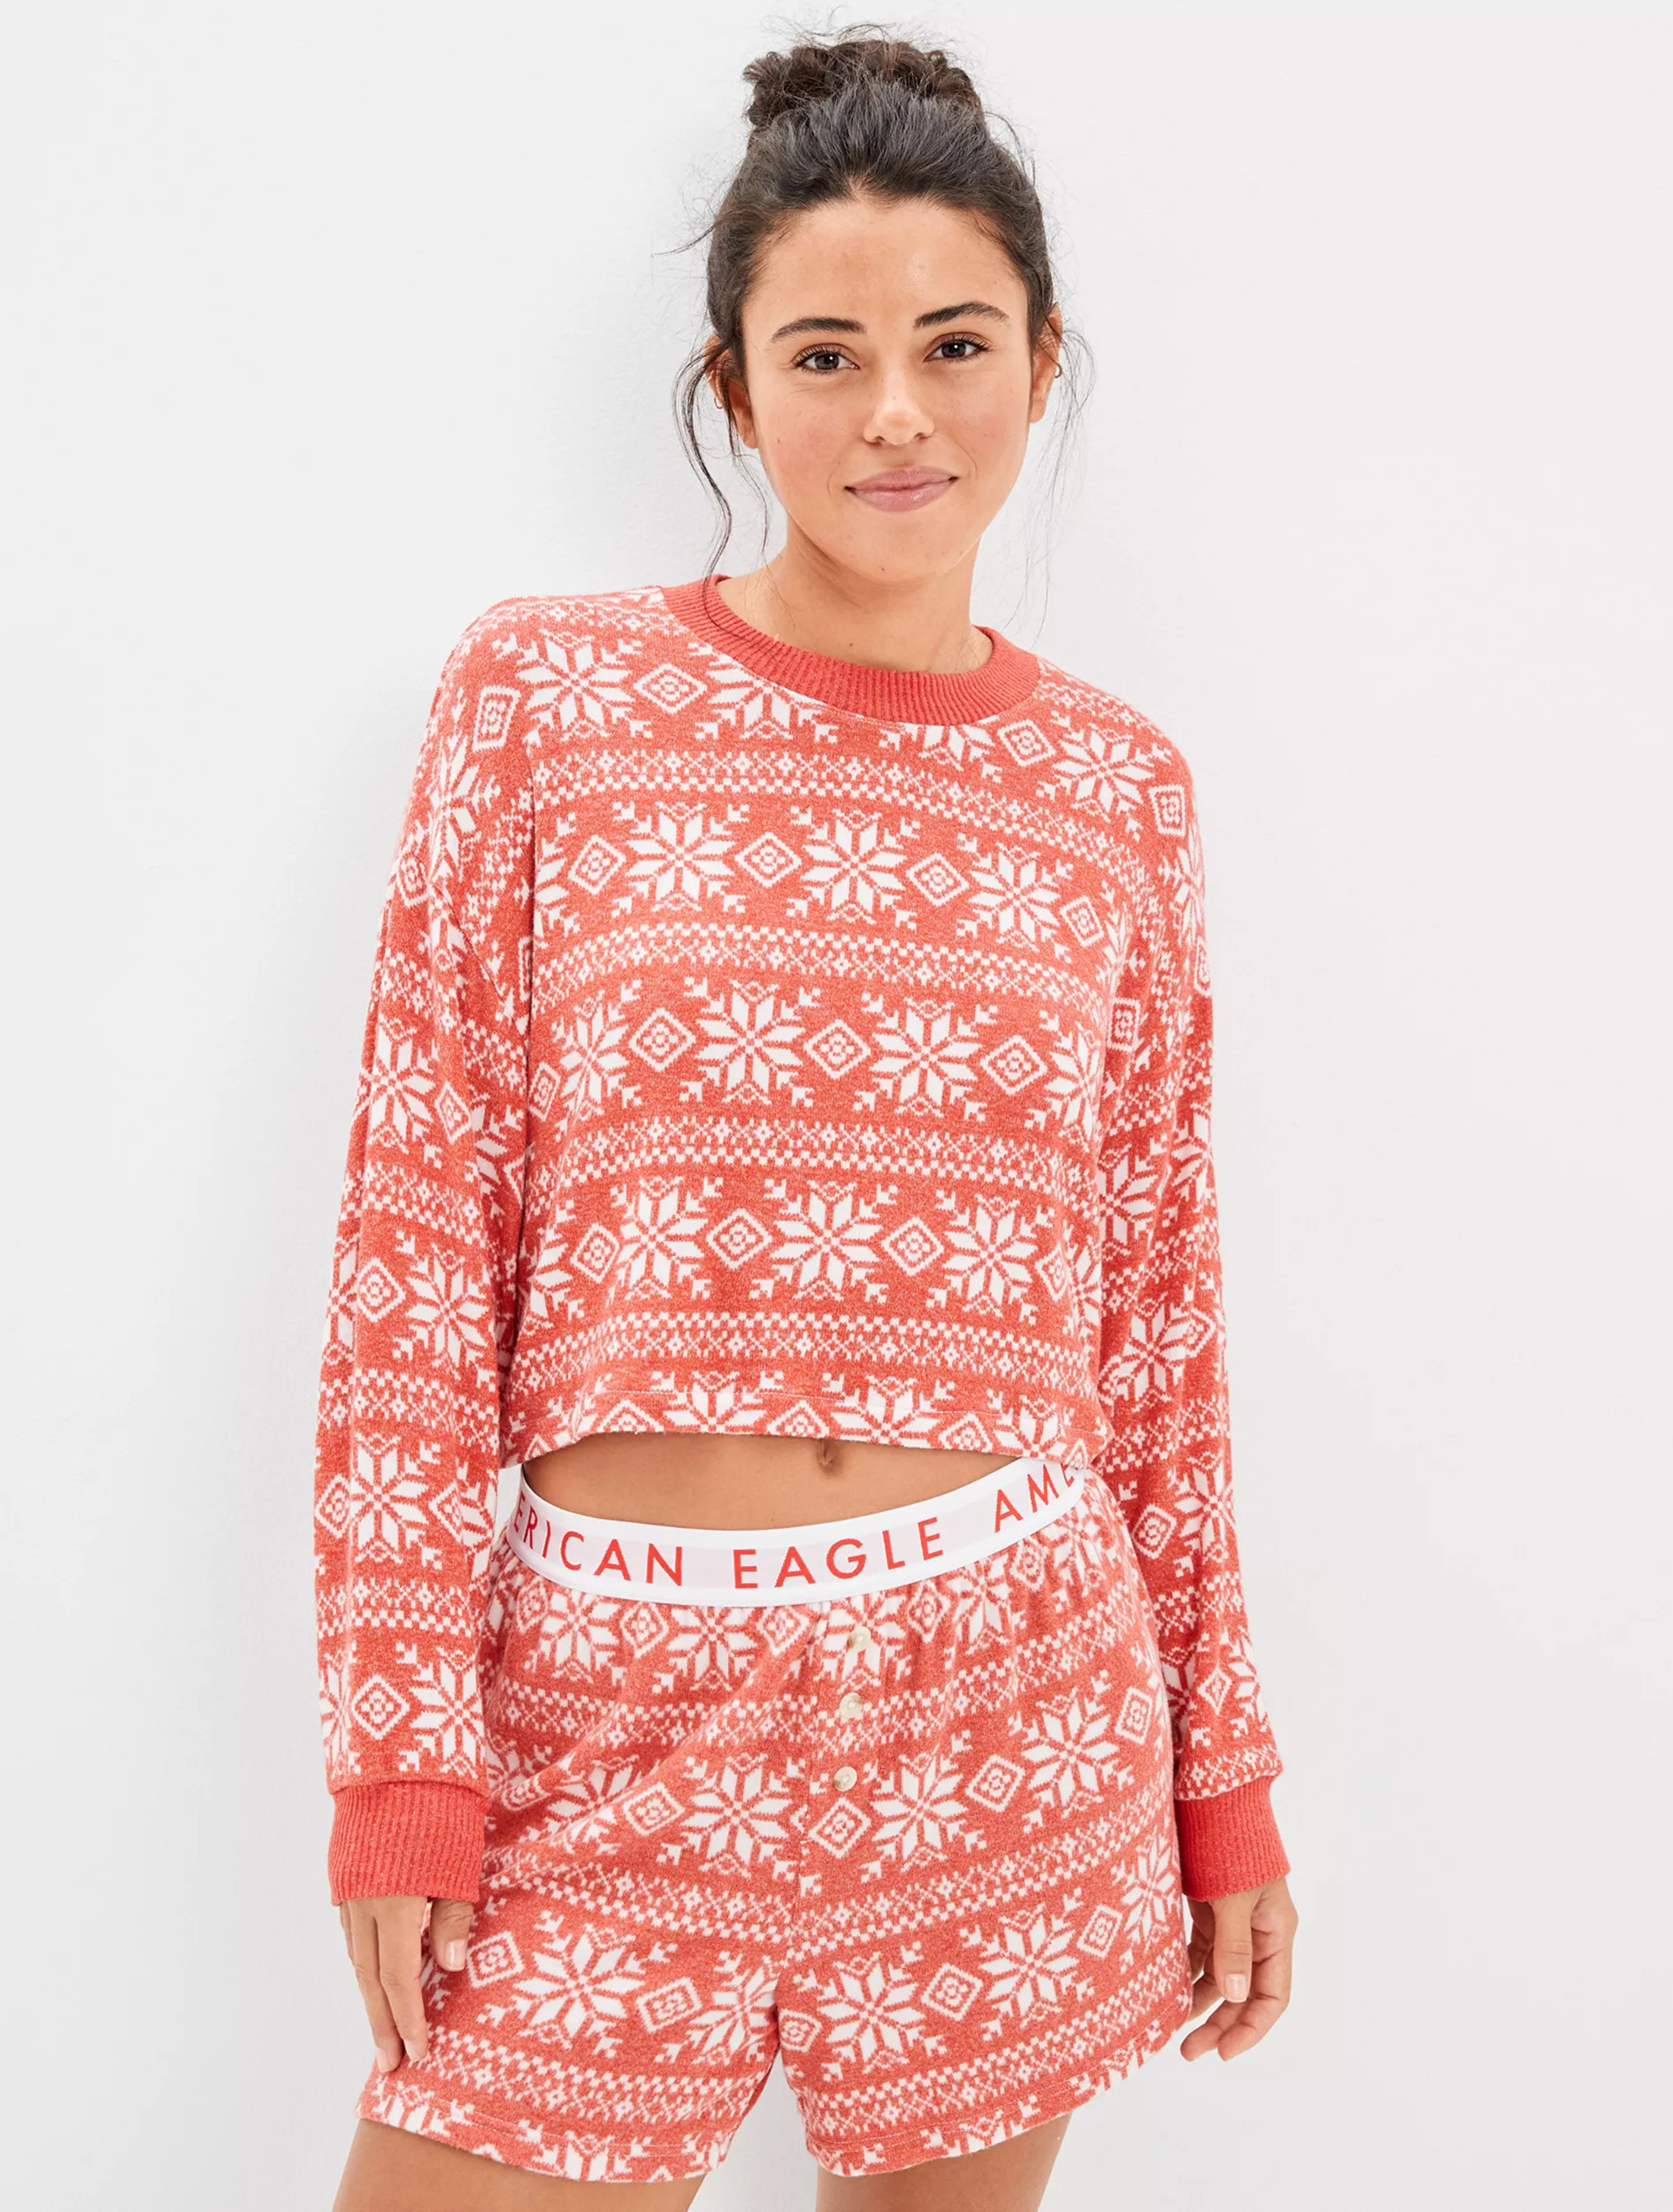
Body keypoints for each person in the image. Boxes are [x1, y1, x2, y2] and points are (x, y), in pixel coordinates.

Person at [319, 27, 1297, 2210]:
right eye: (825, 355)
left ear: (1040, 365)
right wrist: (400, 1756)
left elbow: (1158, 1310)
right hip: (605, 1714)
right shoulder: (545, 702)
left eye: (954, 345)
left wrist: (1222, 1773)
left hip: (1008, 1705)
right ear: (736, 390)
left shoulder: (1117, 792)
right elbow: (414, 1243)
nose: (895, 414)